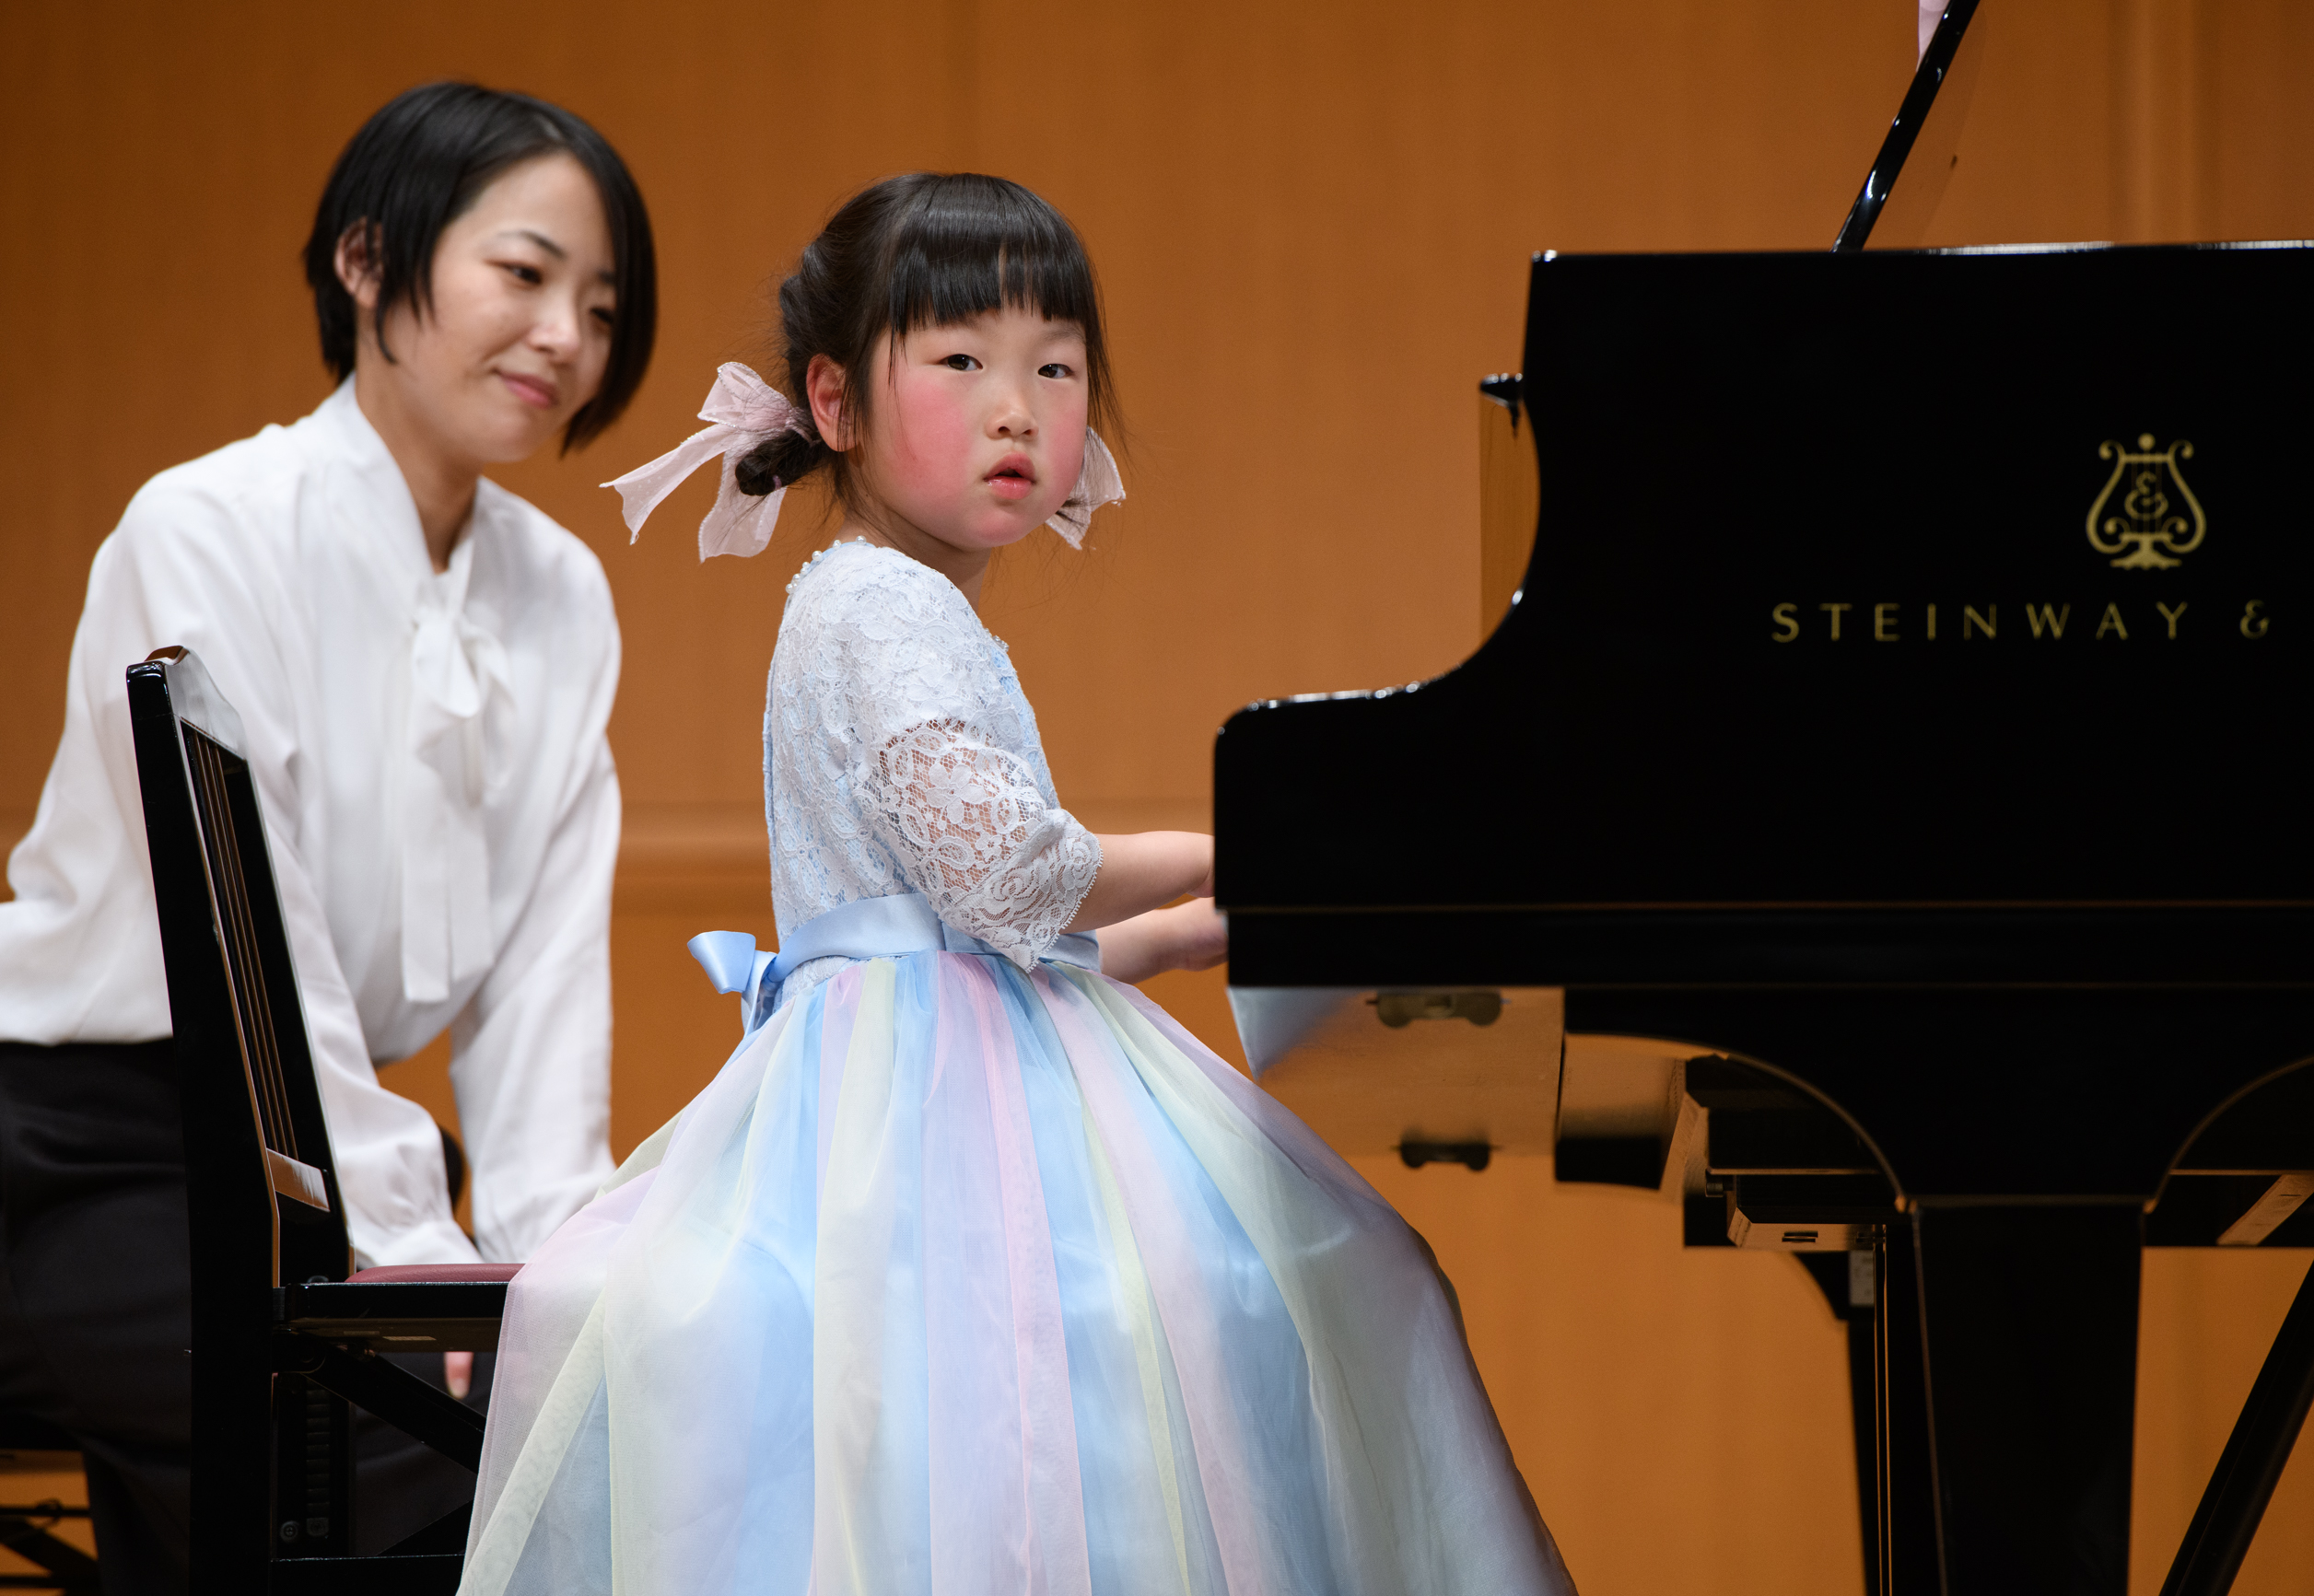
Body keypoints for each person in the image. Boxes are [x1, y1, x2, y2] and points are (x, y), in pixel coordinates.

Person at [459, 171, 1573, 1596]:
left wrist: (1166, 935)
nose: (1020, 409)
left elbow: (965, 942)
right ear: (837, 401)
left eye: (1057, 367)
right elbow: (1005, 876)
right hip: (917, 1122)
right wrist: (1229, 854)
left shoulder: (897, 598)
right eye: (964, 361)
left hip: (937, 1067)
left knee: (1304, 1277)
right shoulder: (879, 600)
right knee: (1291, 1288)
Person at [0, 82, 656, 1587]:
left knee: (600, 1391)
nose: (567, 334)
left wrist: (564, 1271)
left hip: (318, 1162)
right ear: (367, 261)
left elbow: (549, 988)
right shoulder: (210, 525)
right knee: (398, 1425)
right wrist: (425, 1279)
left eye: (603, 306)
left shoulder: (562, 595)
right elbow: (260, 962)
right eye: (526, 271)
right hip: (86, 1150)